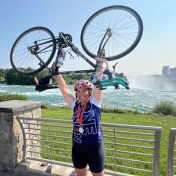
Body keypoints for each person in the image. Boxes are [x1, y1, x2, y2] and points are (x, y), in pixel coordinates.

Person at [52, 64, 105, 176]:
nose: (81, 94)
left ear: (89, 92)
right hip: (77, 146)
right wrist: (57, 72)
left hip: (94, 147)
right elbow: (64, 89)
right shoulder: (75, 105)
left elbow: (97, 83)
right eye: (79, 91)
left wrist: (100, 67)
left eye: (84, 91)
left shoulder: (95, 102)